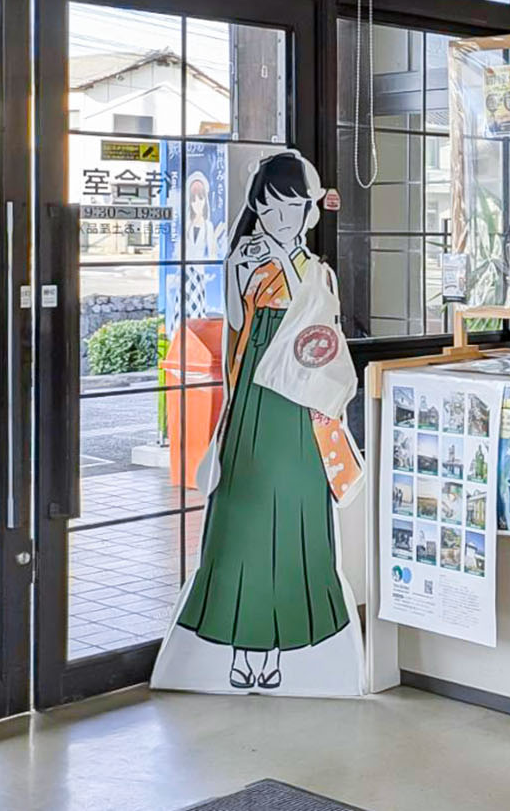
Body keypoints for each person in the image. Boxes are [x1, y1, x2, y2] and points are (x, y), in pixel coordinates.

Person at [157, 152, 361, 694]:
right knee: (244, 513)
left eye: (292, 208)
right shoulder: (247, 263)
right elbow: (235, 323)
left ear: (309, 211)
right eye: (270, 209)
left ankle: (283, 641)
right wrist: (241, 269)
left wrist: (284, 265)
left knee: (296, 511)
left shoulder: (317, 272)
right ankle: (245, 643)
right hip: (255, 394)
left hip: (300, 401)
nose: (280, 219)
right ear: (257, 209)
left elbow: (321, 329)